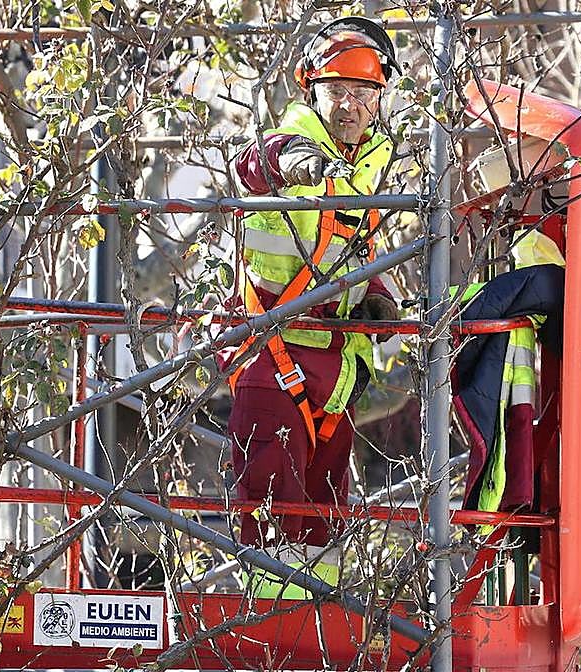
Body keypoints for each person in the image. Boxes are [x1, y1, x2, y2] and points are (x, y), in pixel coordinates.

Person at [226, 17, 400, 596]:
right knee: (271, 526)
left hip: (336, 375)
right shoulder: (290, 141)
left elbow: (354, 249)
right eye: (336, 91)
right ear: (311, 90)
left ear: (379, 98)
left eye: (363, 93)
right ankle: (273, 631)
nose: (349, 106)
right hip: (276, 365)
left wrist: (377, 298)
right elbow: (260, 160)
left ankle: (316, 632)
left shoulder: (370, 167)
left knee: (323, 531)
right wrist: (304, 164)